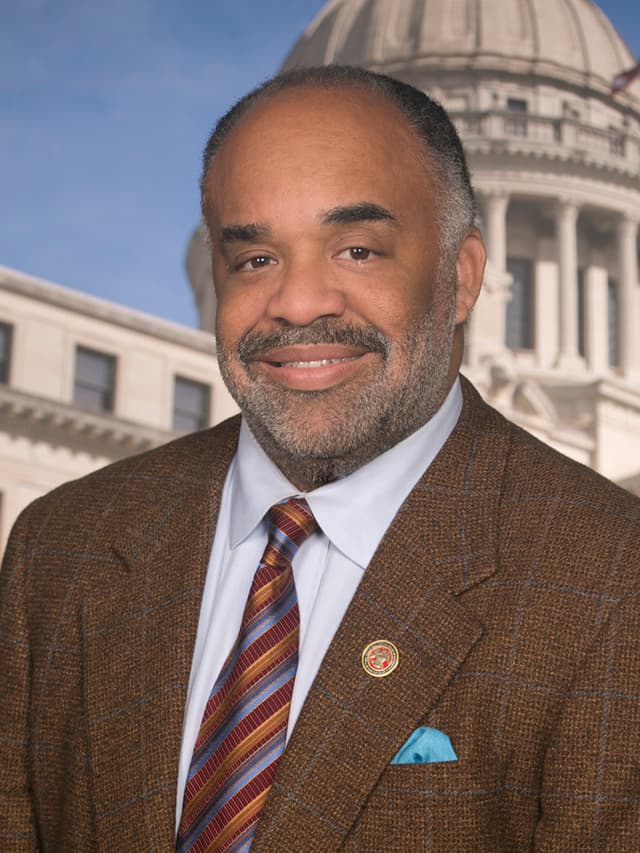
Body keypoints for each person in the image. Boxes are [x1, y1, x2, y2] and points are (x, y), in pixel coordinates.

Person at [1, 65, 639, 852]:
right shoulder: (58, 547)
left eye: (358, 249)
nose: (300, 302)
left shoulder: (611, 570)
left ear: (463, 276)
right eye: (256, 258)